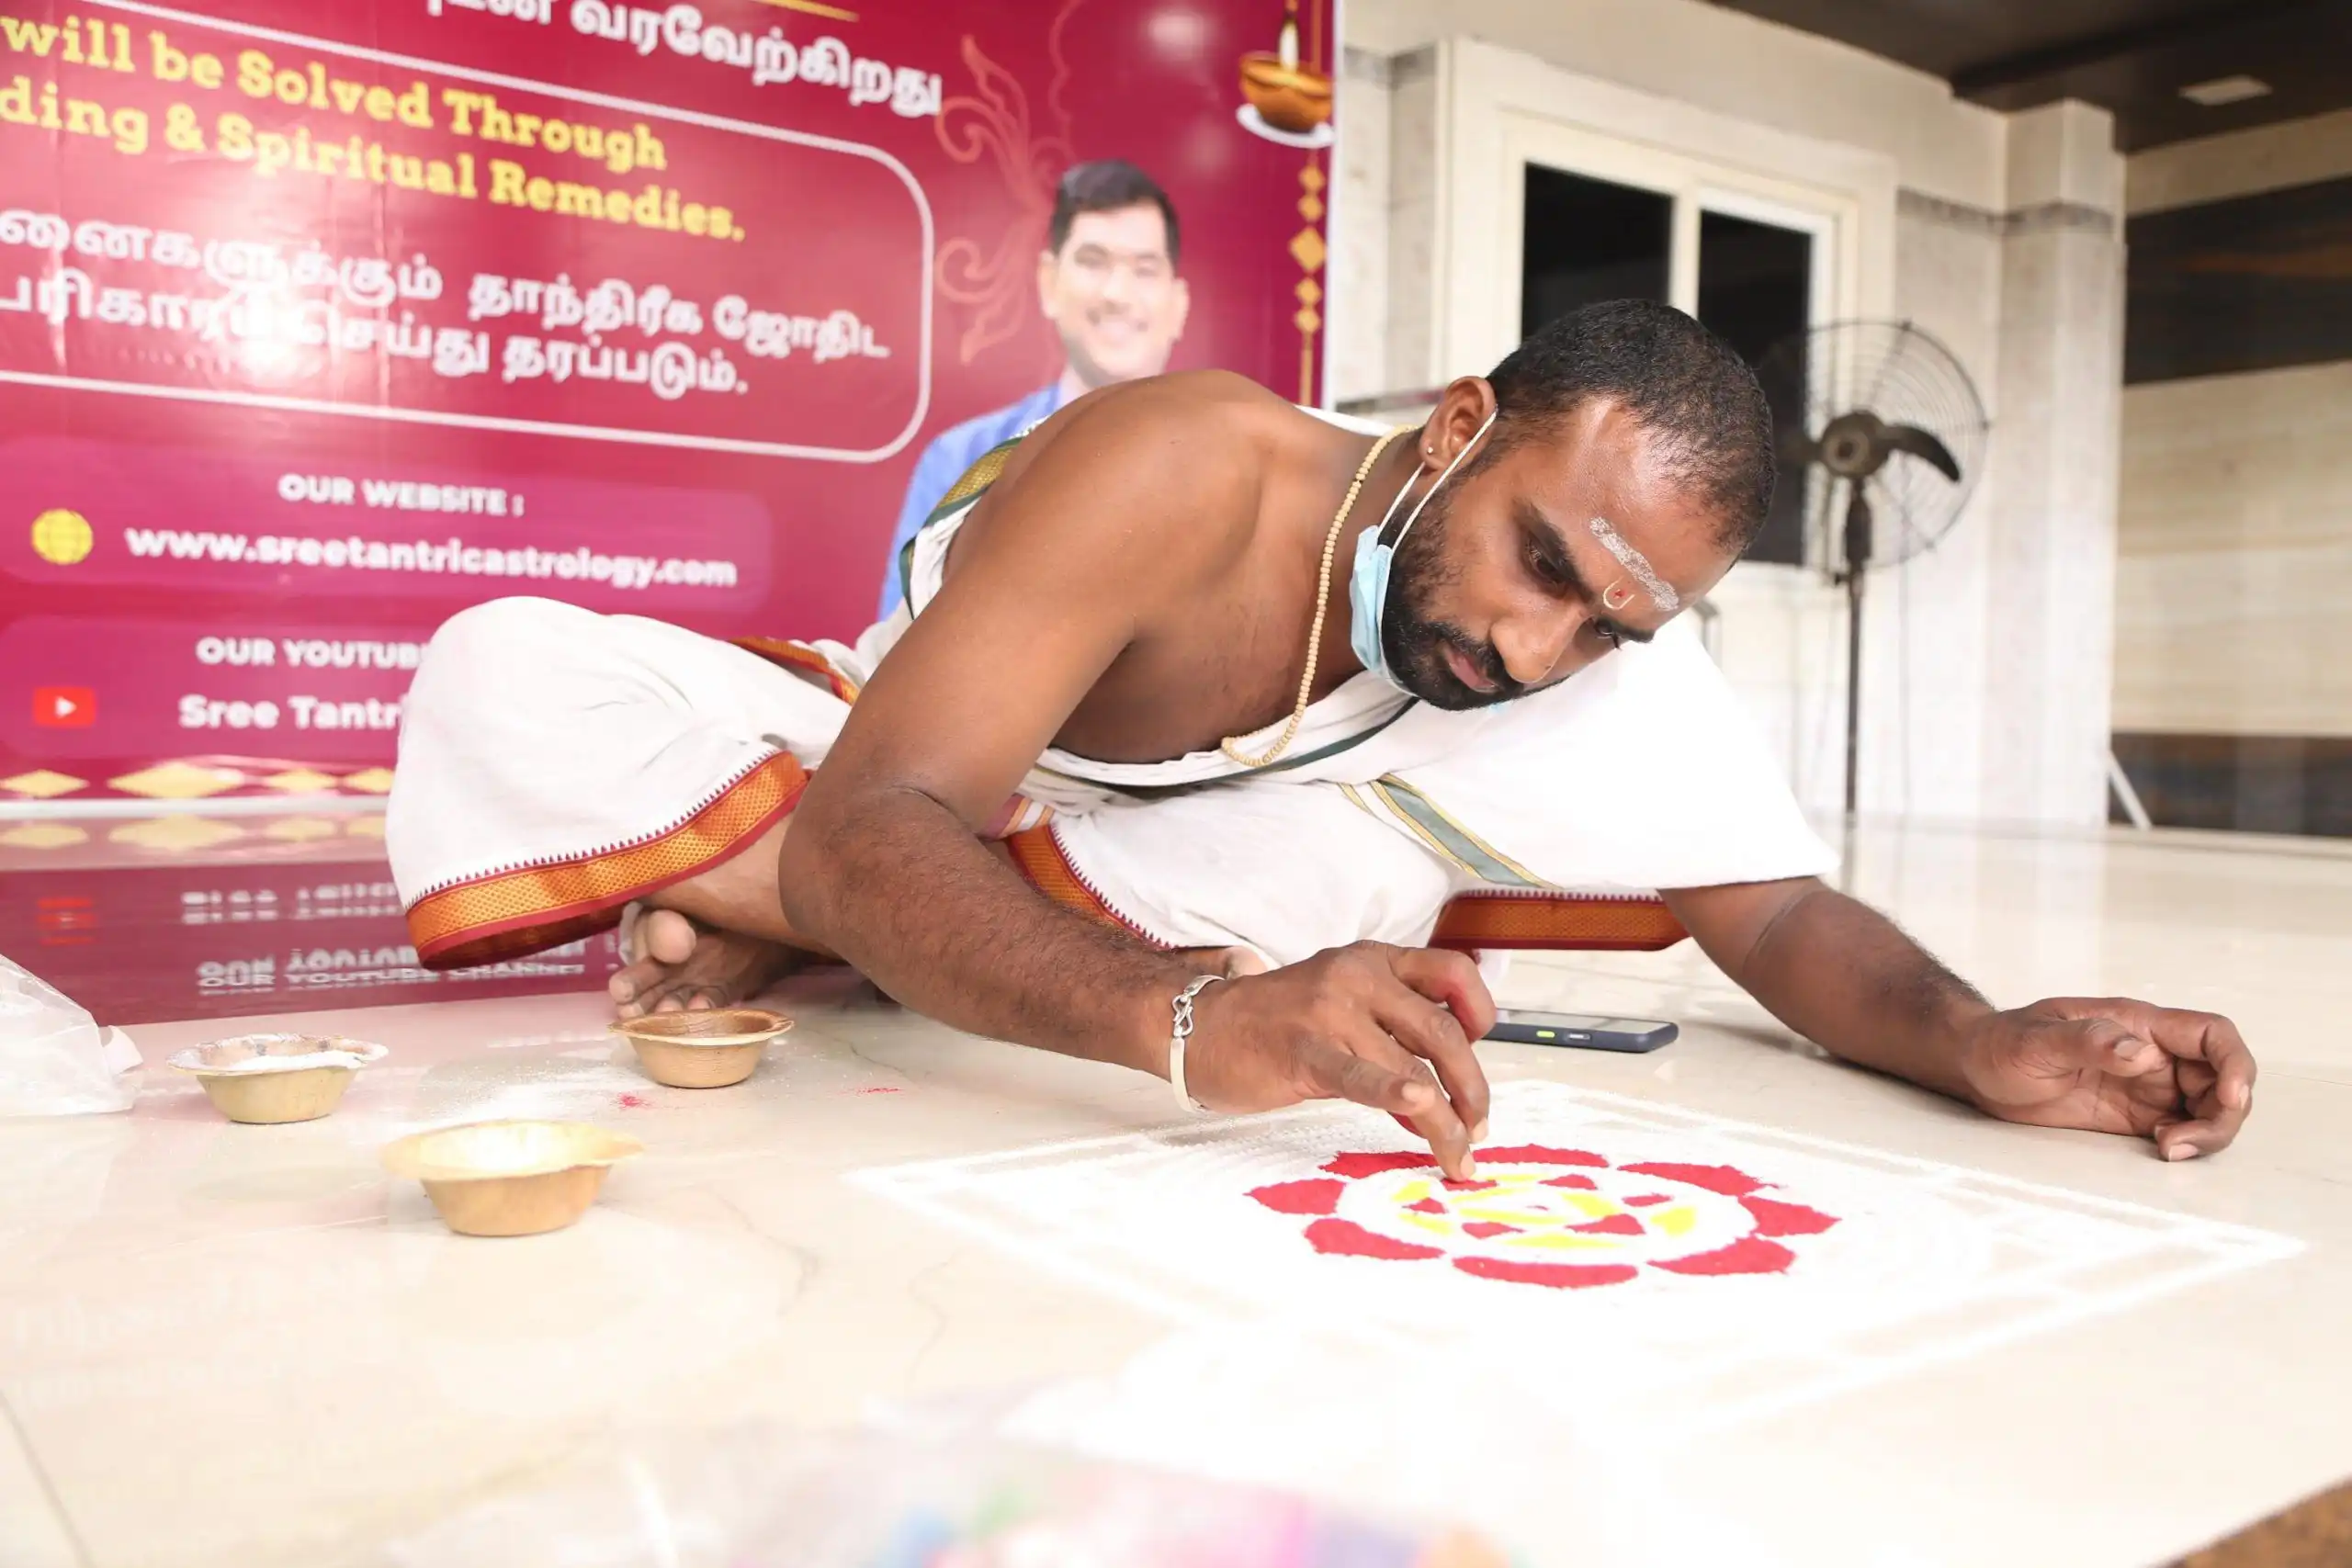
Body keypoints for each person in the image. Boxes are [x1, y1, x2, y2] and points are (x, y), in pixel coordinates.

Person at [388, 301, 2255, 1183]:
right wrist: (1184, 1016)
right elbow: (886, 797)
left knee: (1355, 879)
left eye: (1605, 626)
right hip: (882, 749)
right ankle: (845, 924)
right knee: (504, 669)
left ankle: (803, 924)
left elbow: (1769, 914)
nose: (1532, 651)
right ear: (1454, 426)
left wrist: (1981, 1040)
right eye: (1540, 562)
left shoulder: (1593, 653)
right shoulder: (1180, 463)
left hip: (1068, 868)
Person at [876, 159, 1191, 618]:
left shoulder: (1234, 473)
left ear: (1178, 305)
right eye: (1093, 262)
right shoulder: (962, 463)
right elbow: (899, 646)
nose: (1117, 294)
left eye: (1145, 269)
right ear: (1049, 283)